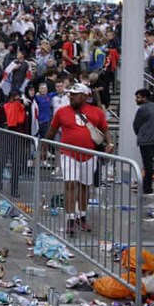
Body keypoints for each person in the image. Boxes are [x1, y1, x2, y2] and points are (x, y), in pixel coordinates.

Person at [45, 83, 113, 236]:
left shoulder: (96, 112)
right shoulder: (61, 112)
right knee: (70, 184)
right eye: (70, 94)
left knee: (84, 186)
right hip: (68, 154)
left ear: (84, 96)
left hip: (89, 155)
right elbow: (52, 130)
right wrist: (43, 146)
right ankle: (70, 219)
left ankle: (81, 216)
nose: (71, 96)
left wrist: (110, 142)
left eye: (75, 94)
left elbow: (105, 129)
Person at [0, 89, 28, 197]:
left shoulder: (22, 110)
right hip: (5, 138)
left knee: (16, 165)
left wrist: (26, 141)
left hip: (17, 140)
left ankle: (14, 188)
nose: (17, 102)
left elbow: (25, 126)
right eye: (15, 99)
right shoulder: (3, 109)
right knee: (1, 163)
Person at [133, 88, 154, 195]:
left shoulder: (142, 110)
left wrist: (140, 134)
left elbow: (136, 125)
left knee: (147, 165)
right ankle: (147, 187)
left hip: (146, 141)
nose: (136, 100)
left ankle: (147, 188)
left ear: (144, 97)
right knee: (149, 165)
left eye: (138, 97)